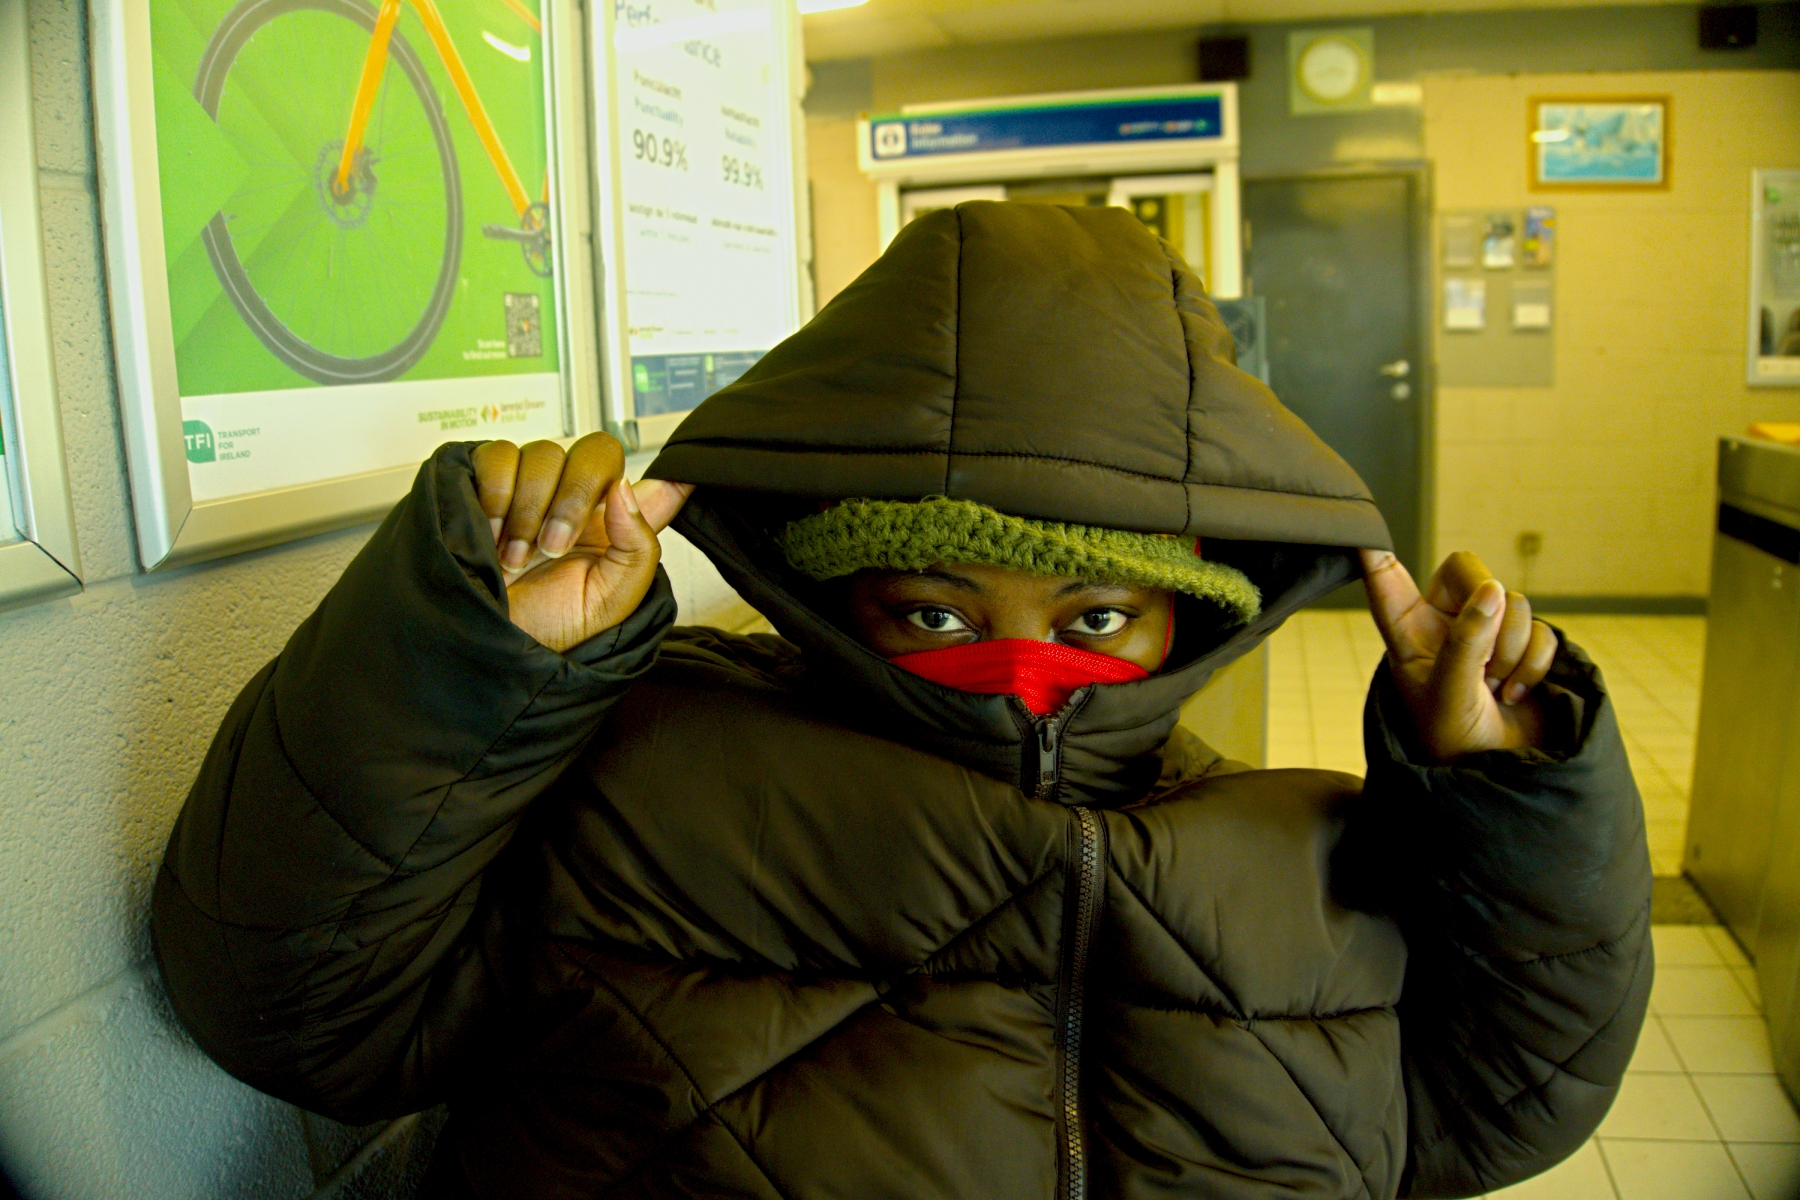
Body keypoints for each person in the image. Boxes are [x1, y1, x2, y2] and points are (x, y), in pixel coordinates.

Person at [153, 202, 1650, 1199]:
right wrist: (482, 664)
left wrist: (1510, 794)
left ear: (1188, 613)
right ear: (832, 595)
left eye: (1097, 618)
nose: (1018, 668)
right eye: (934, 612)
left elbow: (1505, 1098)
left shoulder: (1313, 862)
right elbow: (292, 1008)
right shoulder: (646, 772)